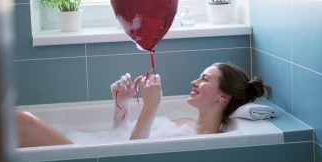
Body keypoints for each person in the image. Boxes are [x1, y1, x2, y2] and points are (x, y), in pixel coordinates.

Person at [15, 62, 272, 147]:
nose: (194, 82)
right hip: (92, 152)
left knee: (22, 121)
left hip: (86, 159)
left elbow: (132, 158)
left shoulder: (202, 141)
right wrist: (121, 106)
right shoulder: (185, 124)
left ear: (224, 96)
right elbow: (123, 139)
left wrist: (151, 107)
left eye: (204, 79)